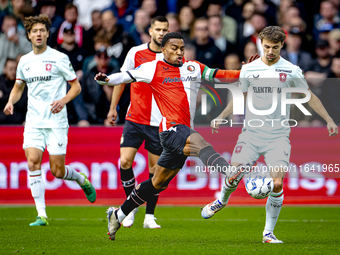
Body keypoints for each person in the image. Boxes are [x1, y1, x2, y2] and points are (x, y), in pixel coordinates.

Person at [95, 32, 259, 241]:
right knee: (200, 142)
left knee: (158, 183)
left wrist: (245, 71)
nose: (179, 52)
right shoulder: (152, 67)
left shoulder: (193, 67)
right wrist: (107, 79)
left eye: (181, 48)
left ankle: (117, 214)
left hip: (182, 132)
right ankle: (231, 172)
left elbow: (222, 74)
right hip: (170, 130)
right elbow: (125, 76)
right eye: (174, 48)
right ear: (163, 50)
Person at [201, 26, 338, 244]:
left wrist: (328, 119)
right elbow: (241, 96)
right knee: (233, 175)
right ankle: (221, 201)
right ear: (261, 44)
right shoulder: (249, 69)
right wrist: (221, 116)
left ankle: (268, 233)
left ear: (282, 44)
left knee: (276, 183)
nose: (270, 51)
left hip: (278, 136)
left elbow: (308, 96)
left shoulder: (292, 70)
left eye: (275, 47)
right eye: (266, 47)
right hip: (251, 134)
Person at [3, 14, 96, 226]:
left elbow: (76, 87)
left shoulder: (60, 58)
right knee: (33, 161)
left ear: (47, 34)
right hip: (34, 121)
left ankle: (81, 179)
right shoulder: (24, 61)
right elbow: (18, 87)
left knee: (57, 171)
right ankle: (41, 215)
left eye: (42, 30)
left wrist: (63, 100)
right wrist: (10, 102)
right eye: (34, 31)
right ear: (28, 35)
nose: (38, 34)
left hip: (56, 121)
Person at [106, 16, 170, 229]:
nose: (161, 33)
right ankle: (131, 206)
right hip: (134, 118)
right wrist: (113, 107)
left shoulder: (172, 56)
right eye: (158, 29)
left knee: (155, 171)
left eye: (165, 30)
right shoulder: (136, 52)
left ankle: (149, 216)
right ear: (150, 31)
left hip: (158, 122)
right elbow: (121, 79)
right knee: (124, 162)